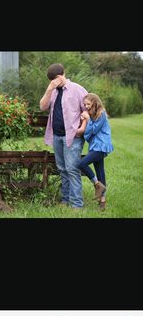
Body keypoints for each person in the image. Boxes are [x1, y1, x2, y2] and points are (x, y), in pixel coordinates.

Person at [40, 63, 88, 208]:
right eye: (51, 81)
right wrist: (49, 89)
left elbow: (88, 111)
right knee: (62, 169)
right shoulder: (52, 91)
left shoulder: (77, 89)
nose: (53, 82)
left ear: (61, 75)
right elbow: (42, 106)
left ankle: (77, 204)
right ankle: (65, 200)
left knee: (72, 169)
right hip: (57, 136)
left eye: (55, 79)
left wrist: (82, 129)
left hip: (73, 137)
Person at [77, 93, 114, 210]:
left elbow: (92, 131)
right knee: (100, 172)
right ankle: (102, 202)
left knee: (81, 164)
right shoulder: (92, 115)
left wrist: (87, 120)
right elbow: (87, 136)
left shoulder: (101, 114)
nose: (86, 106)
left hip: (101, 147)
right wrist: (89, 121)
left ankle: (97, 185)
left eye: (88, 104)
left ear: (95, 103)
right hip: (94, 147)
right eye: (85, 104)